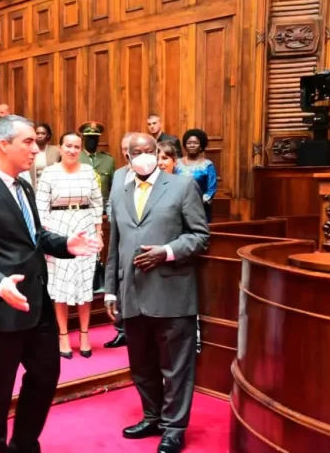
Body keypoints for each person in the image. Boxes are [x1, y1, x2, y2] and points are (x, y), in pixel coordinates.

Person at [0, 115, 100, 453]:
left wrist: (65, 244)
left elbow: (34, 237)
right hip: (2, 310)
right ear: (3, 144)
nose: (36, 149)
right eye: (28, 142)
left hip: (37, 305)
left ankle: (24, 444)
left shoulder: (23, 186)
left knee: (46, 375)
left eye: (36, 142)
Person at [104, 133, 209, 453]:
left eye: (150, 150)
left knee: (176, 366)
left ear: (158, 152)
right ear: (127, 157)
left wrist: (166, 251)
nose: (145, 156)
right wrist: (110, 291)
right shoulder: (120, 192)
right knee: (142, 364)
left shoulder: (181, 186)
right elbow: (115, 247)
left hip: (172, 291)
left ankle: (174, 427)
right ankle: (152, 416)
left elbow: (200, 236)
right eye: (137, 152)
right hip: (132, 292)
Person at [36, 131, 103, 359]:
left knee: (84, 285)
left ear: (81, 148)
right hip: (58, 229)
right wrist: (46, 238)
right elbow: (41, 206)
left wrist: (99, 233)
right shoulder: (49, 173)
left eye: (76, 146)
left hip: (85, 226)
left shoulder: (88, 172)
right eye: (68, 146)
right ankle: (63, 334)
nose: (72, 150)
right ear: (61, 147)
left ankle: (85, 334)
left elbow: (97, 203)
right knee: (61, 286)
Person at [103, 131, 136, 349]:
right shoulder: (119, 173)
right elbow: (112, 200)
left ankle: (134, 330)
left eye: (129, 148)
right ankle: (121, 330)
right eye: (123, 148)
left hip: (138, 235)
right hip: (118, 232)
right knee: (118, 277)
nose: (126, 153)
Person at [174, 129, 217, 223]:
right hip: (178, 206)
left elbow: (211, 190)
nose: (192, 145)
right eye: (189, 143)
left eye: (195, 143)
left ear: (201, 146)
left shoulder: (207, 165)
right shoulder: (177, 163)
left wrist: (196, 202)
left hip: (200, 208)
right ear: (185, 145)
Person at [78, 121, 115, 210]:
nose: (92, 141)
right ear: (83, 139)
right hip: (81, 207)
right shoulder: (76, 159)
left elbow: (113, 187)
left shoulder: (108, 160)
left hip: (104, 208)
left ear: (98, 139)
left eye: (95, 138)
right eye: (89, 138)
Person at [30, 122, 60, 189]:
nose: (40, 136)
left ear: (48, 136)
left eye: (43, 133)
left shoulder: (56, 151)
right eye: (37, 133)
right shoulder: (29, 151)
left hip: (52, 187)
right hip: (33, 188)